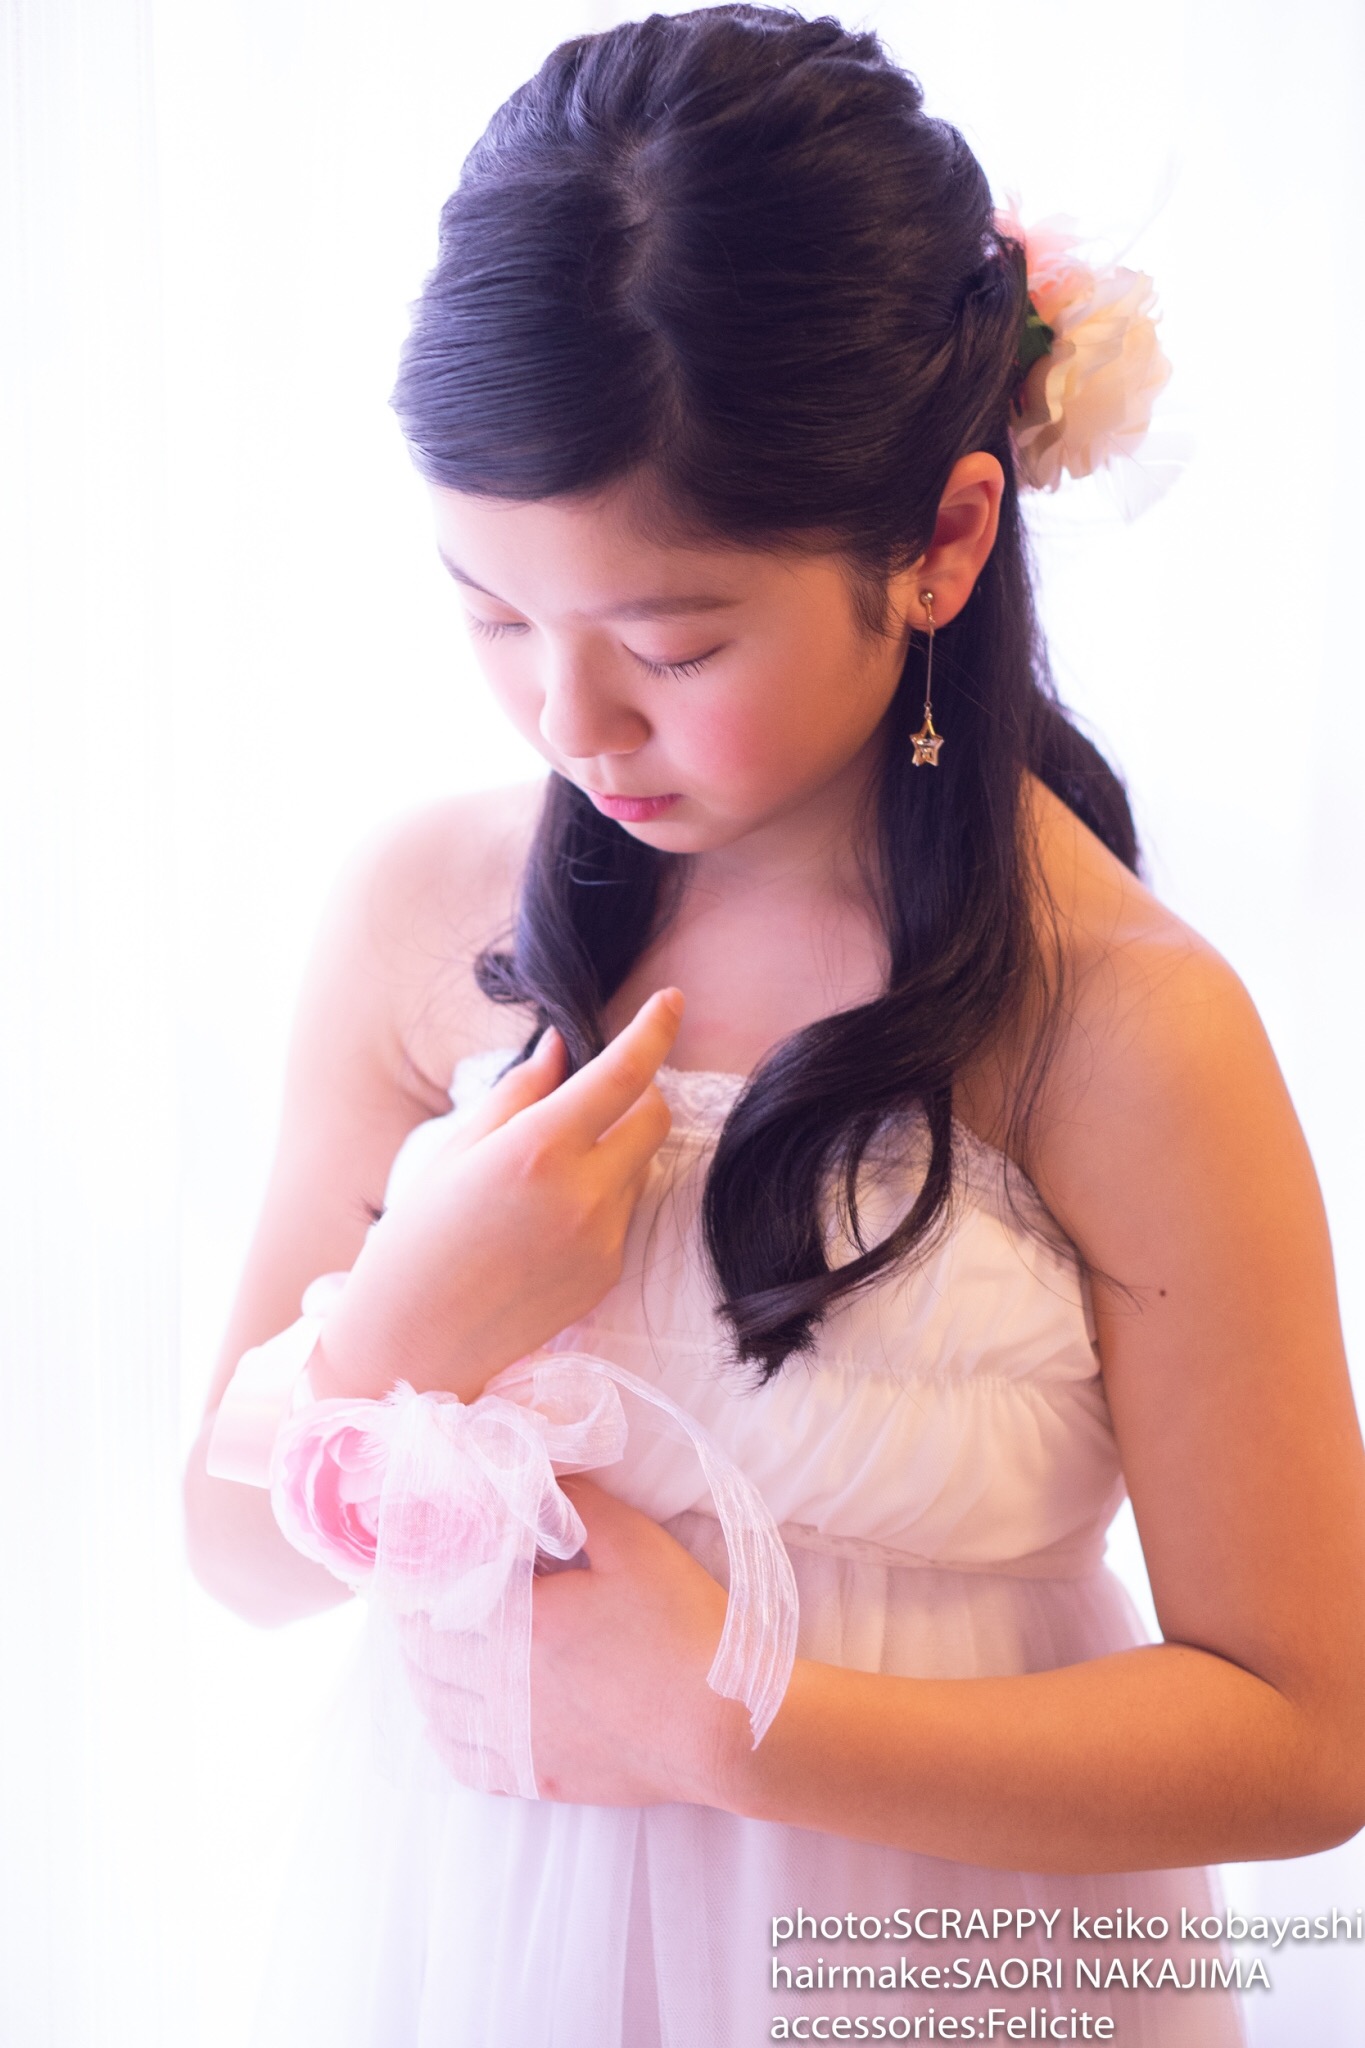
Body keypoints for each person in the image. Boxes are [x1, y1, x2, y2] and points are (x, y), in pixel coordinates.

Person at [182, 9, 1365, 2044]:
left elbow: (1304, 1728)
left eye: (669, 643)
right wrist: (404, 1323)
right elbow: (235, 1555)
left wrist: (737, 1722)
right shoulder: (420, 914)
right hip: (472, 1952)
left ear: (944, 542)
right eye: (491, 612)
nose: (568, 723)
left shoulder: (1119, 1026)